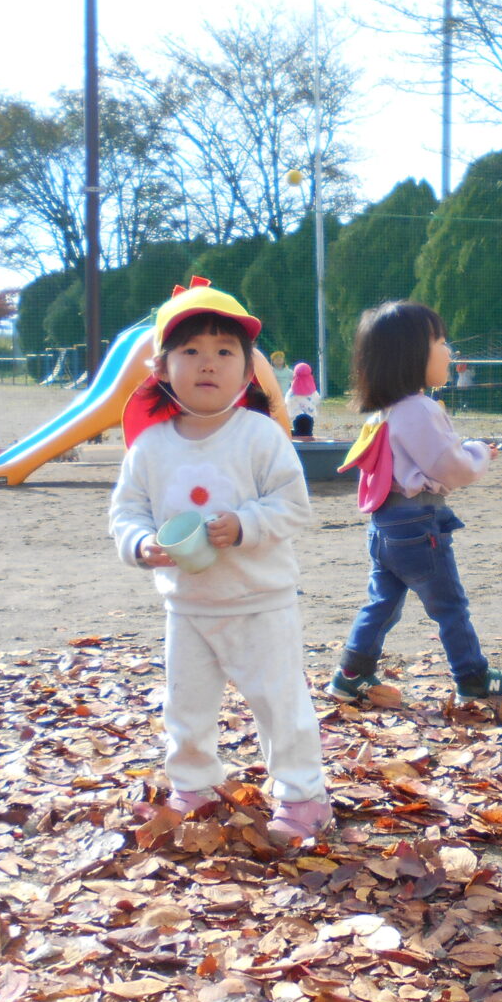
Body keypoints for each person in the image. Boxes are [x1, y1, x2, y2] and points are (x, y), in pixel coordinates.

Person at [108, 281, 331, 845]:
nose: (208, 363)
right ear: (162, 368)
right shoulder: (150, 446)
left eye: (225, 351)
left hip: (261, 602)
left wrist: (246, 524)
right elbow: (127, 512)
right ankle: (194, 786)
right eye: (191, 351)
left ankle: (302, 795)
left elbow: (292, 504)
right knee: (185, 707)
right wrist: (140, 544)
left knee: (279, 704)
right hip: (187, 605)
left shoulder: (260, 436)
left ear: (248, 370)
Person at [330, 301, 502, 706]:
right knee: (449, 605)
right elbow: (453, 468)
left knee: (382, 603)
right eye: (440, 342)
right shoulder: (418, 408)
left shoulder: (384, 412)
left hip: (385, 525)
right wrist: (478, 451)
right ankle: (472, 676)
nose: (449, 352)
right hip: (418, 525)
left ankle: (350, 673)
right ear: (411, 353)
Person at [286, 361, 320, 439]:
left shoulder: (292, 392)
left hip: (295, 416)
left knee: (298, 430)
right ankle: (308, 436)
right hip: (309, 415)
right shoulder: (313, 391)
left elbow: (287, 401)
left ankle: (297, 434)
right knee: (308, 431)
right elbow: (317, 399)